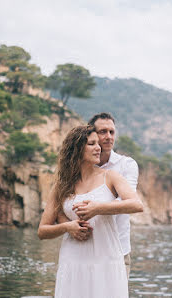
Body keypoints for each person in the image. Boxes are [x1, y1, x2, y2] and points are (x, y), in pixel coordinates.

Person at [38, 125, 143, 298]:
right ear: (77, 149)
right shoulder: (61, 186)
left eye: (98, 144)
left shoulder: (110, 177)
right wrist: (68, 227)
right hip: (73, 260)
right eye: (91, 144)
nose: (98, 147)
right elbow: (42, 231)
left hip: (107, 259)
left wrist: (98, 208)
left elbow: (137, 204)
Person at [58, 112, 139, 278]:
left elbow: (129, 202)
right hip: (80, 249)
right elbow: (60, 204)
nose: (109, 137)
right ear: (91, 134)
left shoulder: (126, 165)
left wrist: (97, 208)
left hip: (117, 250)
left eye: (112, 132)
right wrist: (69, 226)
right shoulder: (74, 170)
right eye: (103, 132)